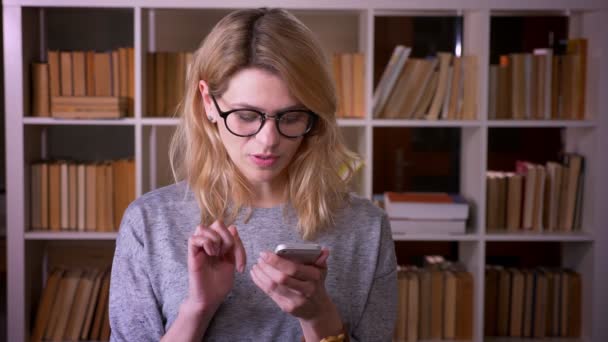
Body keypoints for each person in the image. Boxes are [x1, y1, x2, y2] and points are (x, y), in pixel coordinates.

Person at [109, 7, 397, 342]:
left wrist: (319, 317)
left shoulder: (367, 227)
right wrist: (197, 308)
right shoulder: (149, 222)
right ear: (208, 103)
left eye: (290, 117)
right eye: (246, 115)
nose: (268, 141)